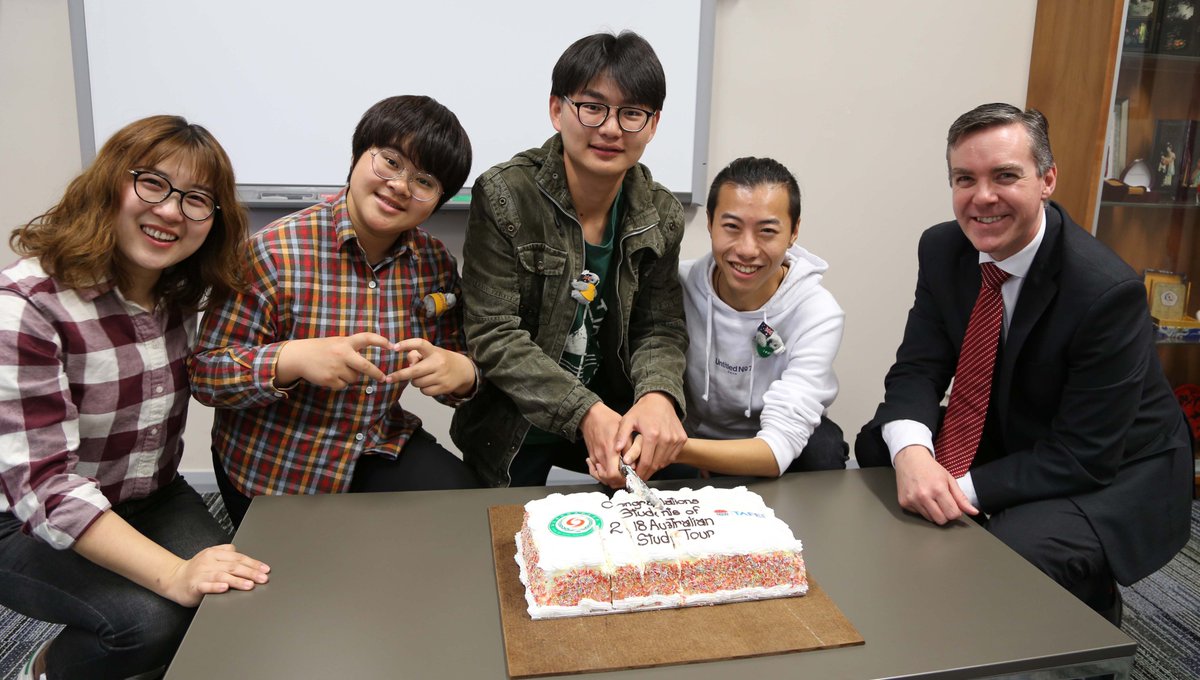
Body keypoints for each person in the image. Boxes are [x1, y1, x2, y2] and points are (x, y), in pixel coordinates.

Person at [855, 103, 1192, 623]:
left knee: (1016, 547)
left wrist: (951, 490)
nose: (982, 197)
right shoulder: (943, 248)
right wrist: (915, 460)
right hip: (1016, 422)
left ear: (1047, 180)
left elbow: (1083, 454)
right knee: (882, 443)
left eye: (1005, 176)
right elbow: (917, 369)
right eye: (965, 178)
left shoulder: (1106, 290)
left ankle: (1090, 611)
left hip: (1114, 464)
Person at [0, 115, 270, 680]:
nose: (172, 211)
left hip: (151, 496)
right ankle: (46, 669)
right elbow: (46, 489)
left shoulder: (178, 292)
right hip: (23, 520)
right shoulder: (25, 306)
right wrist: (172, 574)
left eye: (197, 199)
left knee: (234, 598)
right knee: (150, 622)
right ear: (109, 185)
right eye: (152, 183)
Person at [190, 96, 480, 528]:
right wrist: (291, 359)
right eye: (390, 162)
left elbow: (452, 364)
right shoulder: (273, 252)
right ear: (356, 157)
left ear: (438, 200)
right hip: (277, 466)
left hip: (376, 444)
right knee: (310, 583)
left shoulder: (433, 262)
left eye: (424, 181)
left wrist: (463, 373)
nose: (401, 185)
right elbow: (205, 375)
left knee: (467, 513)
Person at [451, 31, 690, 488]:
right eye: (592, 106)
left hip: (617, 421)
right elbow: (492, 333)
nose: (611, 128)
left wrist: (658, 395)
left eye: (631, 113)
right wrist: (585, 412)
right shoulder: (506, 194)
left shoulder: (660, 212)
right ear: (557, 109)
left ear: (653, 124)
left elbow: (659, 327)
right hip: (514, 430)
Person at [670, 157, 848, 477]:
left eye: (767, 231)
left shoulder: (817, 312)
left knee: (824, 450)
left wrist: (685, 452)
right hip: (692, 432)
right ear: (710, 223)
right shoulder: (676, 286)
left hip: (766, 439)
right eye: (732, 227)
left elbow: (779, 446)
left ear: (794, 232)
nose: (747, 249)